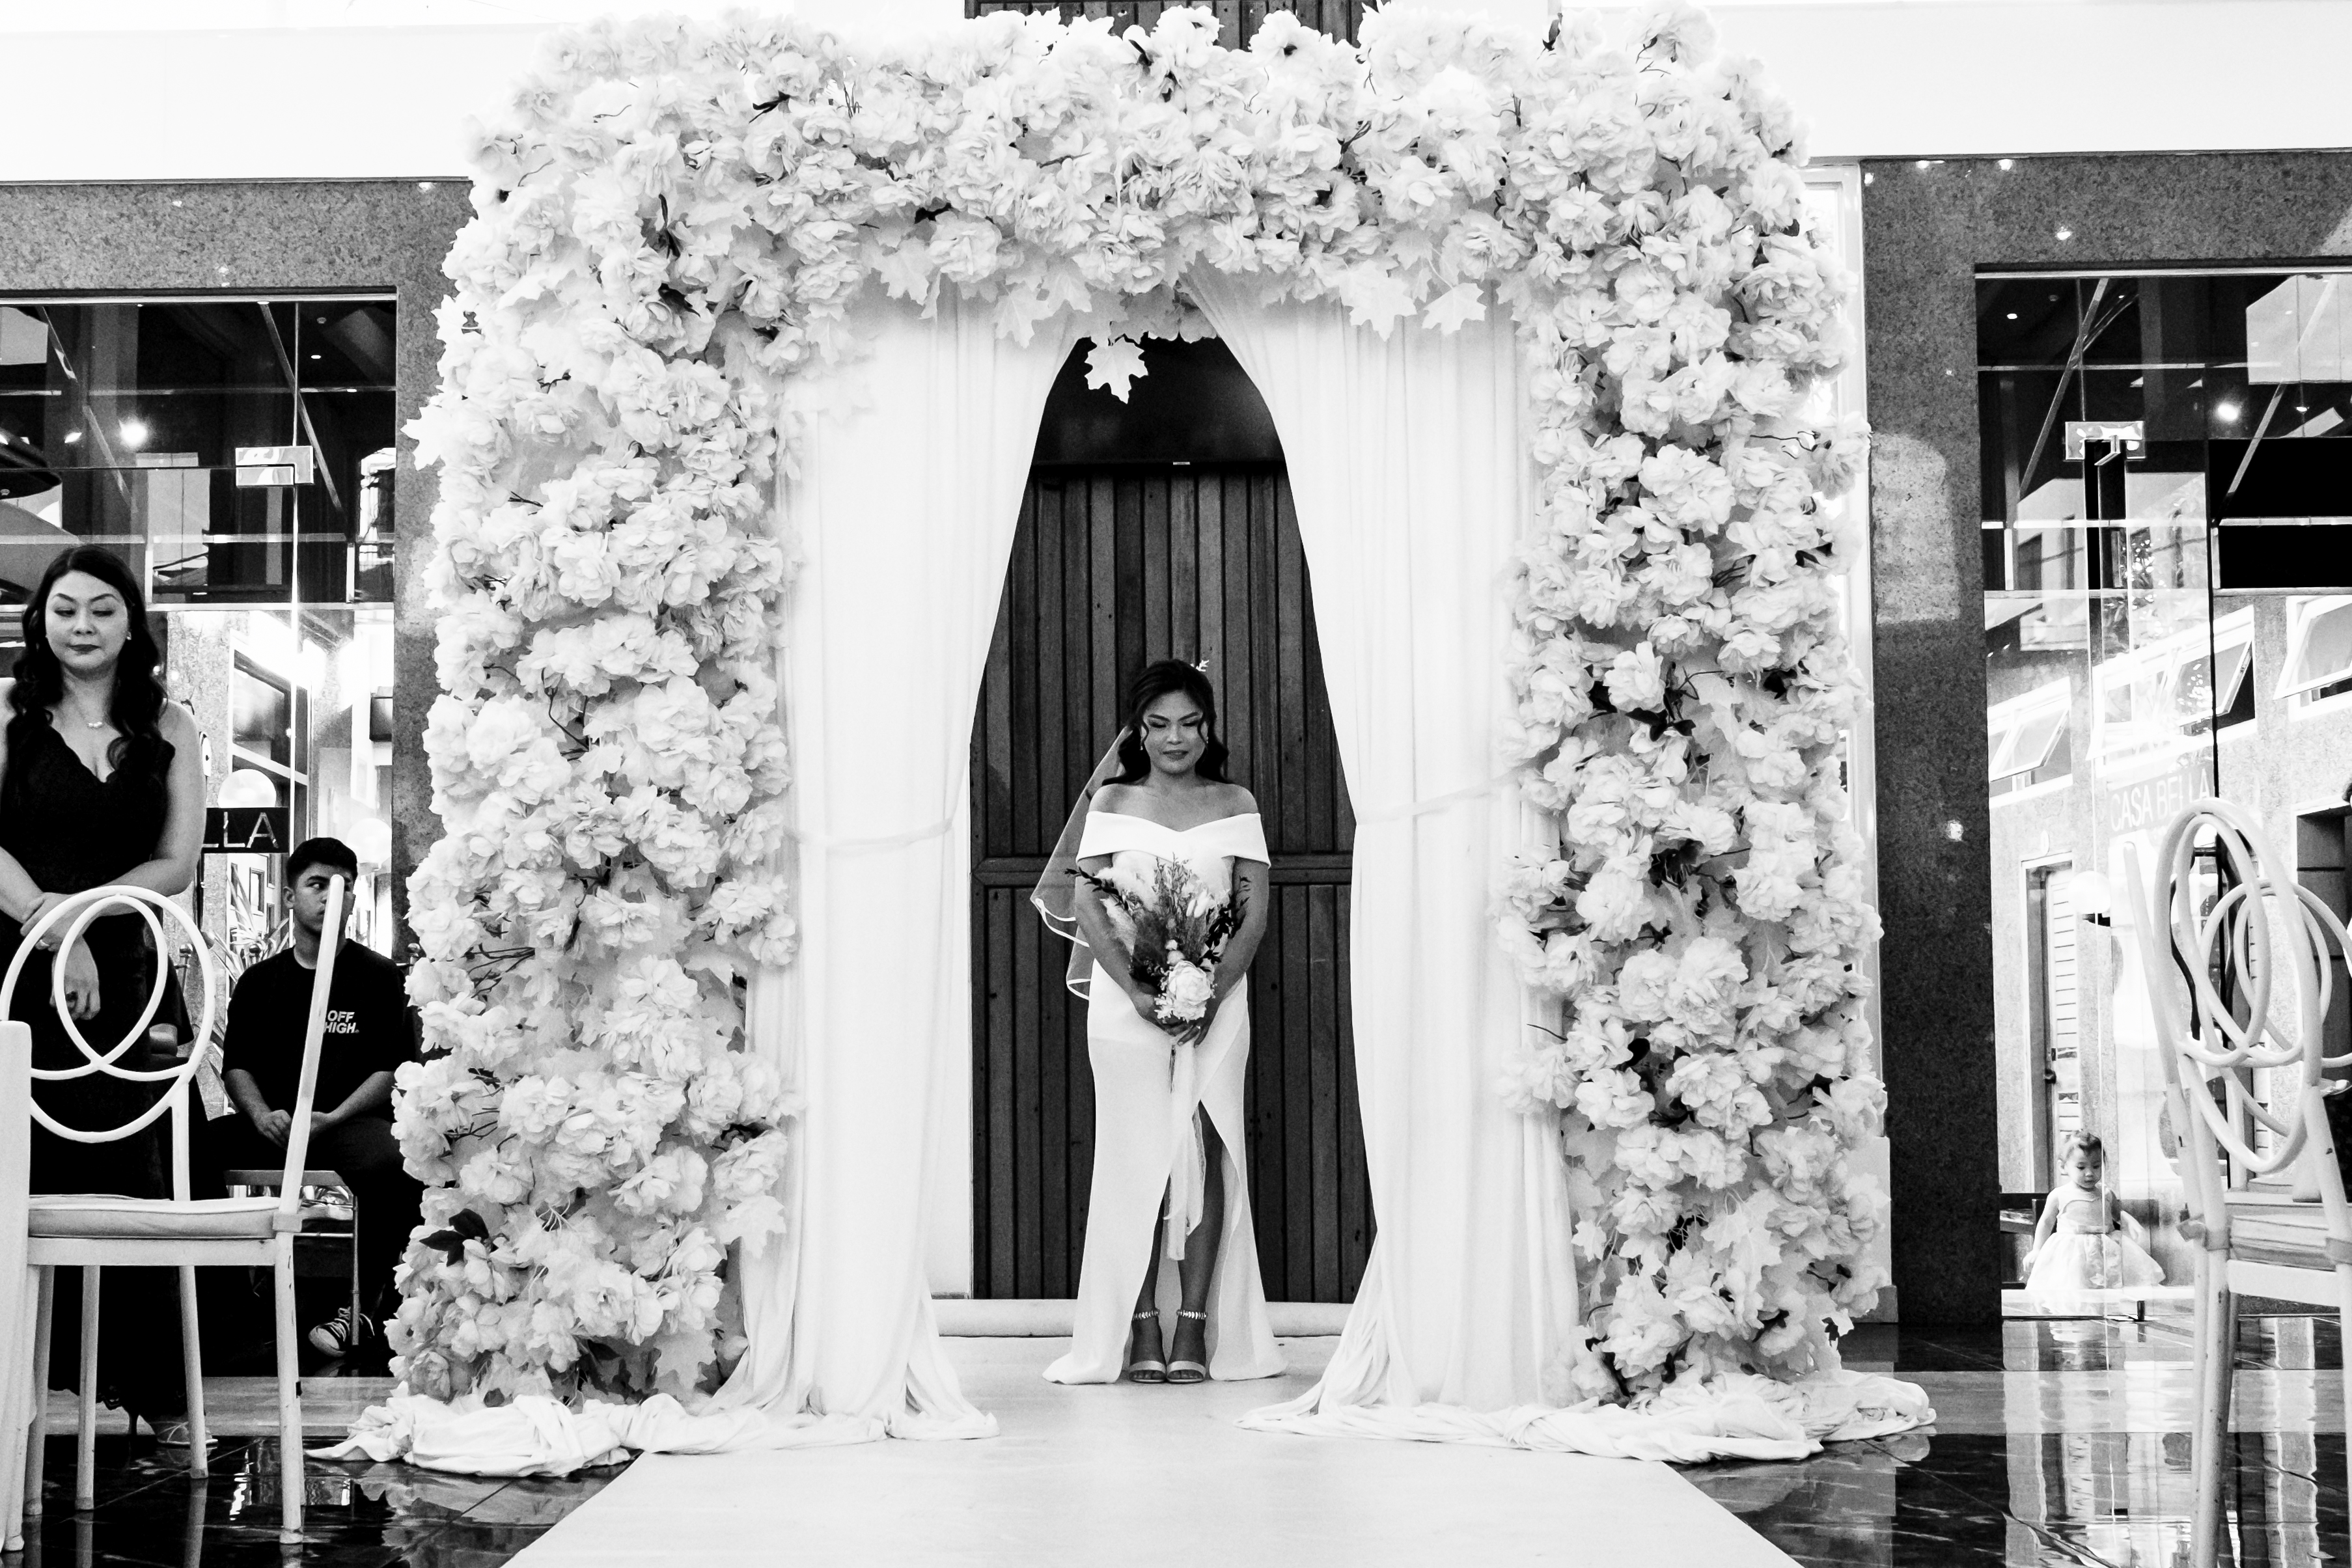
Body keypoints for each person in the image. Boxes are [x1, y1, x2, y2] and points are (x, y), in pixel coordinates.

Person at [0, 544, 206, 1441]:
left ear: (131, 624)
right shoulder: (6, 714)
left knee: (135, 1179)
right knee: (19, 1177)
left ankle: (156, 1394)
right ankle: (14, 1387)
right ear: (39, 620)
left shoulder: (171, 724)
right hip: (14, 972)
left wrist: (83, 920)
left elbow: (177, 861)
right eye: (65, 609)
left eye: (102, 609)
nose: (81, 626)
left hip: (127, 978)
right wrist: (52, 928)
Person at [1037, 661, 1285, 1386]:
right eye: (1158, 724)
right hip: (1126, 1008)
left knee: (1210, 1145)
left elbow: (1251, 912)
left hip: (1217, 1003)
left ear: (1208, 729)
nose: (1175, 738)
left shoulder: (1235, 802)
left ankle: (1196, 1325)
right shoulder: (1113, 800)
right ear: (1138, 732)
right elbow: (1089, 903)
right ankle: (1139, 1322)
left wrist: (1208, 992)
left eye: (1189, 723)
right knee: (1134, 1154)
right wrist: (1139, 990)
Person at [218, 837, 421, 1356]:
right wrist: (260, 1115)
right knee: (193, 1147)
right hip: (273, 1125)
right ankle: (221, 1310)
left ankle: (367, 1307)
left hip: (344, 1123)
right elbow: (236, 1065)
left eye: (343, 886)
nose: (331, 896)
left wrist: (332, 1116)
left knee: (394, 1161)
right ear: (290, 896)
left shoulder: (379, 977)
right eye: (317, 884)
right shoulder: (260, 981)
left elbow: (390, 1068)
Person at [2024, 1131, 2164, 1302]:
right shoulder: (2059, 1195)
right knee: (2075, 1288)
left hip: (2106, 1249)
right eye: (2081, 1167)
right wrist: (2037, 1249)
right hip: (2073, 1252)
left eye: (2096, 1166)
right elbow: (2046, 1222)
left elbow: (2117, 1214)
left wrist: (2129, 1221)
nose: (2090, 1173)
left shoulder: (2106, 1193)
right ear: (2063, 1167)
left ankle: (2111, 1311)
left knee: (2113, 1288)